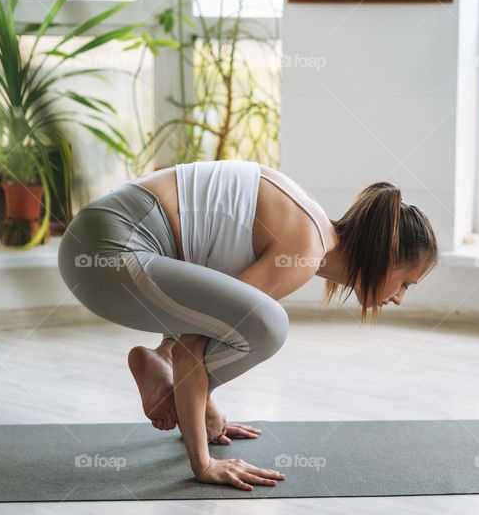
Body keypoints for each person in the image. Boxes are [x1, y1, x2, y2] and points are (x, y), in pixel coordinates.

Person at [57, 160, 438, 491]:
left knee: (246, 316)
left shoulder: (309, 230)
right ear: (386, 256)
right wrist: (203, 463)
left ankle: (160, 361)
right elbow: (195, 346)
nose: (400, 298)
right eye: (406, 282)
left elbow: (204, 316)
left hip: (100, 246)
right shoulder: (305, 249)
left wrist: (206, 409)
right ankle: (177, 391)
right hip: (108, 253)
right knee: (267, 323)